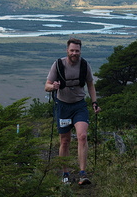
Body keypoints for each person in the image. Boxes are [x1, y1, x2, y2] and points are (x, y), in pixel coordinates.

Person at [45, 37, 101, 185]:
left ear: (80, 51)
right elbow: (46, 86)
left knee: (82, 136)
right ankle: (65, 173)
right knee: (65, 141)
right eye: (72, 50)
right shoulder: (58, 65)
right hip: (63, 106)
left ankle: (83, 173)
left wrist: (94, 102)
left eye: (77, 50)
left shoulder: (84, 65)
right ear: (67, 50)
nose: (74, 53)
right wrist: (53, 87)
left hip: (79, 105)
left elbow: (90, 84)